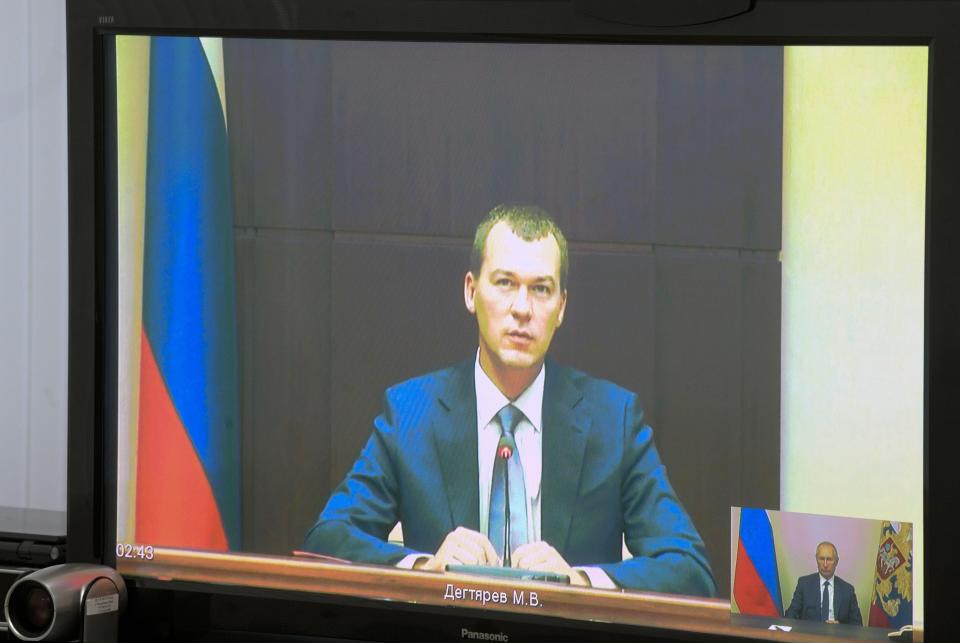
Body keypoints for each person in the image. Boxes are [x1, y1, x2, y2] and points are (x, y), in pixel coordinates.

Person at [303, 204, 716, 596]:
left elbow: (689, 568)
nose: (522, 308)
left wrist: (580, 582)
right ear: (471, 291)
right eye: (505, 283)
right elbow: (326, 539)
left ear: (561, 308)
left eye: (541, 289)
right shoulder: (412, 413)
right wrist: (425, 568)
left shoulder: (614, 420)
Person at [784, 542, 863, 625]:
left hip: (837, 636)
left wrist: (840, 627)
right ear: (816, 560)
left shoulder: (847, 590)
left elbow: (857, 624)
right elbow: (791, 615)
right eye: (821, 559)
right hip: (810, 635)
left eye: (829, 559)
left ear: (836, 562)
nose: (825, 564)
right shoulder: (804, 584)